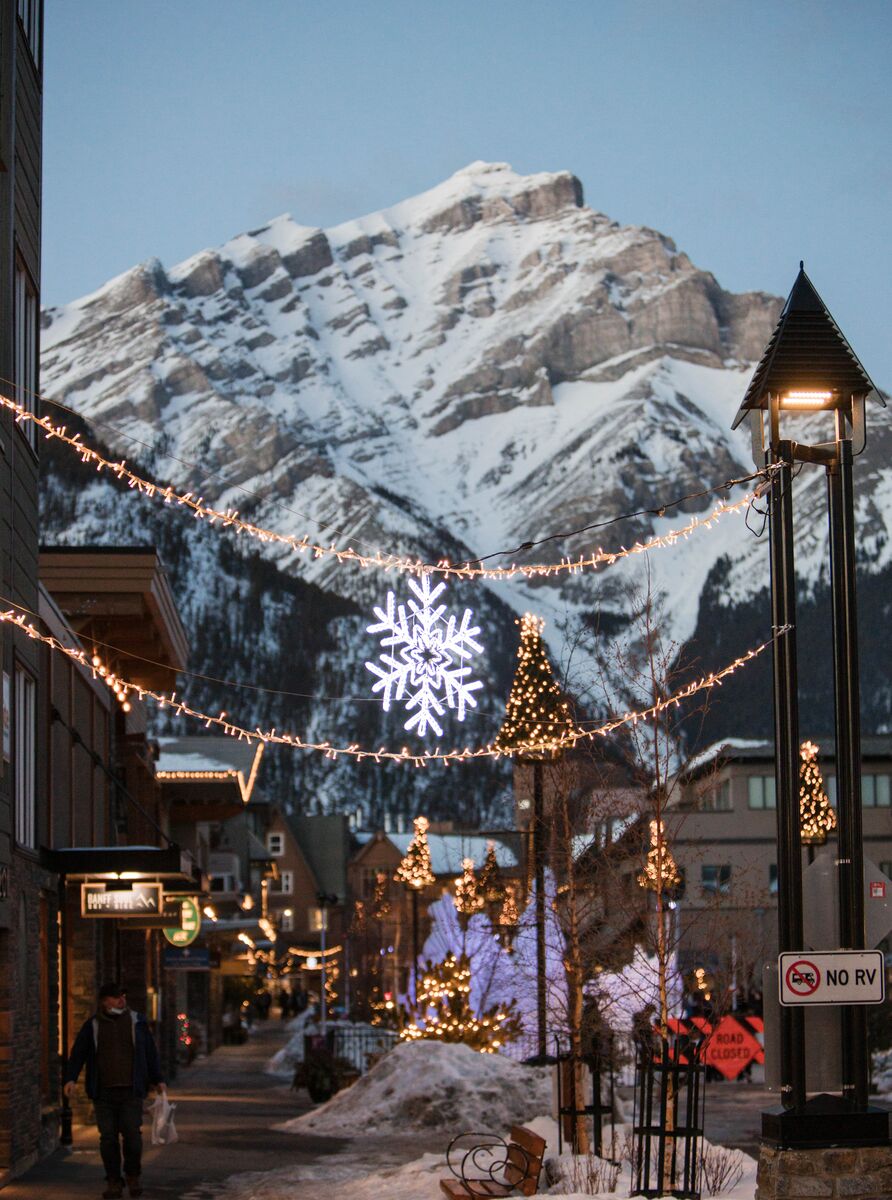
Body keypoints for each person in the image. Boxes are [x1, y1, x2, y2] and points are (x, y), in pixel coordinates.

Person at [63, 982, 167, 1200]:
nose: (121, 1000)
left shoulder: (137, 1022)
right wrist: (70, 1078)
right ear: (104, 1001)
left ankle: (132, 1175)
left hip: (131, 1091)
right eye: (116, 997)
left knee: (132, 1136)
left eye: (122, 996)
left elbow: (150, 1052)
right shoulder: (93, 1025)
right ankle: (113, 1180)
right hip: (103, 1092)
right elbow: (79, 1053)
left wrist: (158, 1079)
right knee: (108, 1139)